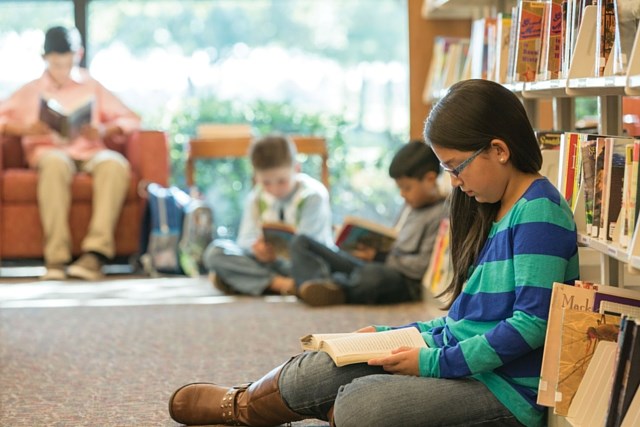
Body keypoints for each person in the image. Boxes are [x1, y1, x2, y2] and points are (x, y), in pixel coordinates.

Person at [168, 79, 580, 427]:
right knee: (331, 361)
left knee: (359, 403)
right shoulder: (494, 208)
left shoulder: (539, 212)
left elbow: (531, 325)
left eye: (456, 166)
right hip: (465, 364)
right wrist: (387, 338)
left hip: (505, 390)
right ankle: (242, 406)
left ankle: (307, 406)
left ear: (499, 150)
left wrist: (432, 363)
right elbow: (465, 323)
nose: (453, 182)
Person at [0, 26, 141, 281]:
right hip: (49, 153)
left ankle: (94, 255)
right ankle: (56, 259)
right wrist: (23, 129)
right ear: (44, 58)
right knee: (55, 164)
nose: (61, 70)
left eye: (67, 62)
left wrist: (103, 129)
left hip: (89, 152)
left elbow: (131, 118)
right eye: (55, 63)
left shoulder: (92, 86)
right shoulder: (29, 91)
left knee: (115, 164)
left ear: (78, 54)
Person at [291, 140, 446, 307]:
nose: (402, 194)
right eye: (399, 188)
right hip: (374, 264)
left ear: (430, 179)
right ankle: (323, 285)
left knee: (372, 277)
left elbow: (421, 265)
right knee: (301, 242)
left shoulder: (441, 214)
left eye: (407, 188)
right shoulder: (410, 206)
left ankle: (328, 286)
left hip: (400, 279)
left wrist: (379, 256)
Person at [203, 133, 334, 296]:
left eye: (282, 181)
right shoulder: (256, 197)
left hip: (305, 266)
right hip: (269, 265)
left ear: (296, 169)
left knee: (323, 271)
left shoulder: (313, 195)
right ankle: (283, 285)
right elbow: (244, 241)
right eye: (266, 183)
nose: (275, 189)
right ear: (256, 176)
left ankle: (246, 281)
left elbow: (315, 245)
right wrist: (257, 250)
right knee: (216, 252)